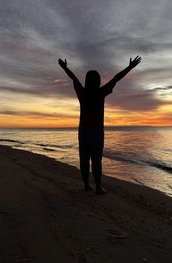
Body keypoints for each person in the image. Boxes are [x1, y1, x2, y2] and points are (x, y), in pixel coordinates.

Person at [58, 56, 141, 194]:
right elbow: (116, 78)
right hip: (96, 131)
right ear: (98, 81)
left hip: (83, 130)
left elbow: (73, 78)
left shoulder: (82, 92)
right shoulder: (100, 92)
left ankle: (86, 185)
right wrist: (130, 67)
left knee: (84, 158)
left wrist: (65, 67)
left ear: (86, 80)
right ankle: (97, 187)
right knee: (96, 159)